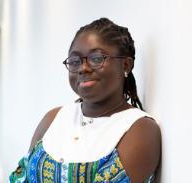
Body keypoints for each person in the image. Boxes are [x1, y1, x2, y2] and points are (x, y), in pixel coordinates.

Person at [9, 17, 161, 183]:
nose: (83, 68)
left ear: (125, 65)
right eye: (75, 61)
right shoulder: (53, 118)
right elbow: (20, 177)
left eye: (96, 59)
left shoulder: (139, 129)